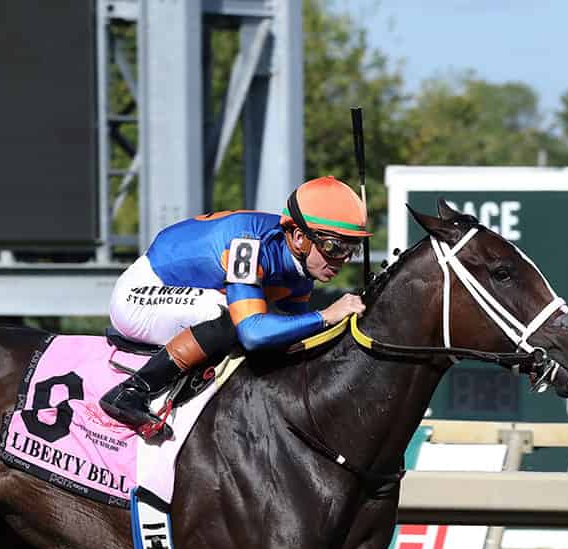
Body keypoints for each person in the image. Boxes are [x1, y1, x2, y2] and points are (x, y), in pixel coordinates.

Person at [99, 175, 371, 440]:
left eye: (353, 249)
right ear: (299, 237)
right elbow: (252, 333)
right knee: (231, 317)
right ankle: (132, 392)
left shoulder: (301, 271)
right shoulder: (248, 245)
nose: (343, 259)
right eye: (334, 246)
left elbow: (298, 336)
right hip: (138, 297)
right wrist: (325, 316)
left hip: (189, 294)